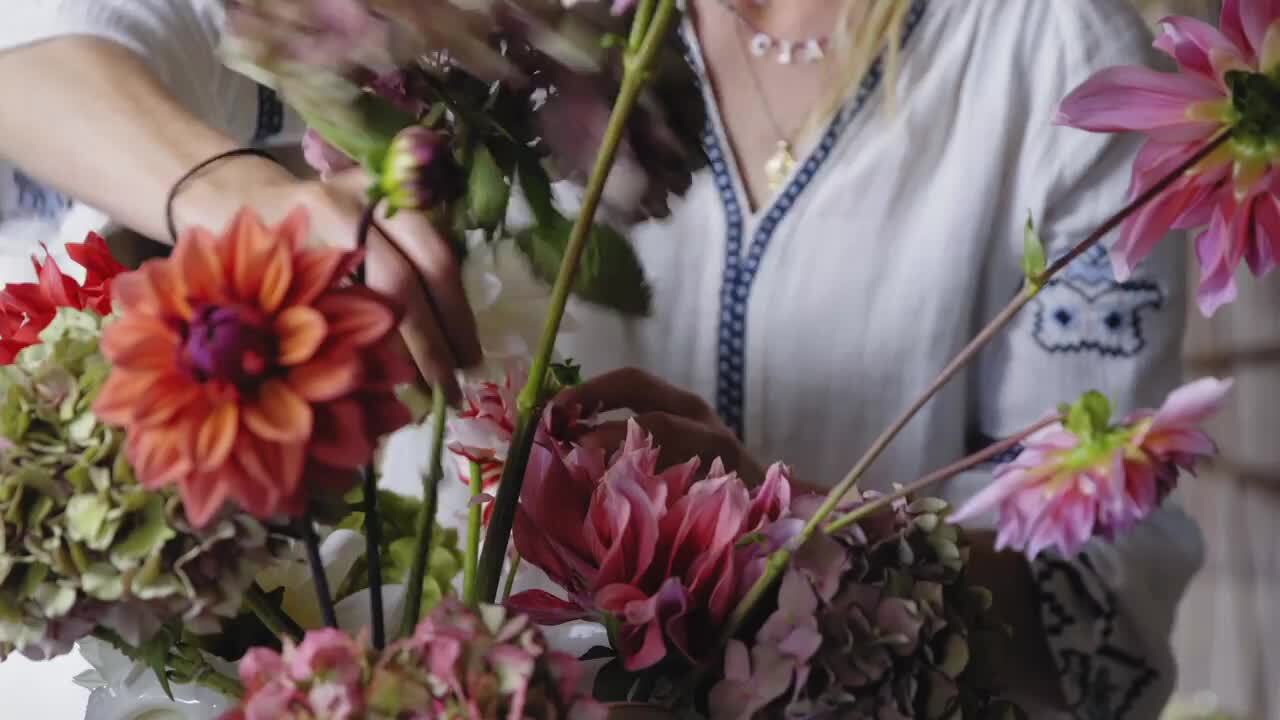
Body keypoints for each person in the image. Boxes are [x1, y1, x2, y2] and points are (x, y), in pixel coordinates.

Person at [0, 1, 1203, 718]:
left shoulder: (1062, 61)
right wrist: (226, 188)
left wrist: (792, 555)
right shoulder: (482, 15)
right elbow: (43, 47)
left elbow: (1091, 609)